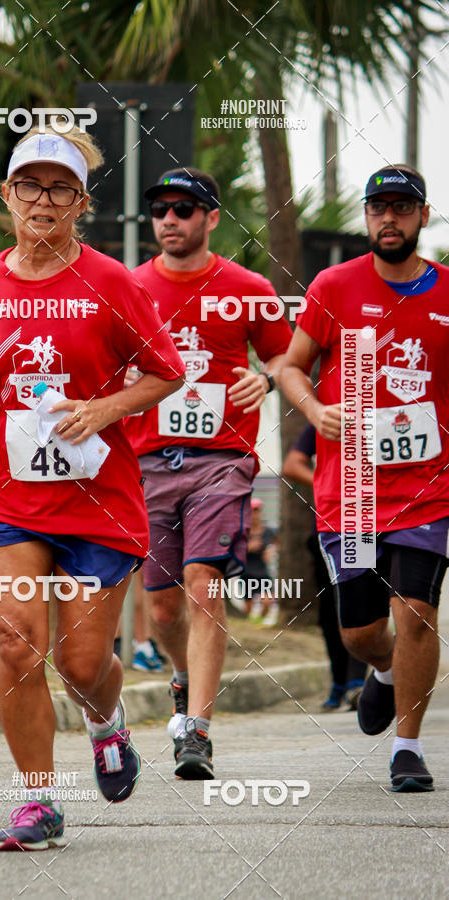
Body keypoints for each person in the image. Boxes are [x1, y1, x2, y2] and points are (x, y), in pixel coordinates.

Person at [0, 126, 185, 850]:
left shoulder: (113, 281)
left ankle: (105, 721)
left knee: (82, 663)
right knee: (12, 643)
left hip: (97, 500)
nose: (43, 199)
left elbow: (166, 370)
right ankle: (38, 800)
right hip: (7, 497)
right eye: (28, 185)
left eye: (59, 187)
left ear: (80, 202)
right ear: (6, 195)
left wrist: (102, 409)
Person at [281, 164, 449, 792]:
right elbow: (290, 367)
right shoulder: (333, 286)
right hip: (350, 493)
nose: (389, 219)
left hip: (427, 491)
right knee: (361, 633)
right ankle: (381, 674)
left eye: (403, 209)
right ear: (367, 216)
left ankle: (407, 747)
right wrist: (315, 408)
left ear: (422, 218)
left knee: (418, 615)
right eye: (379, 208)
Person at [126, 167, 292, 778]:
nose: (170, 219)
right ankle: (181, 677)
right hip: (146, 463)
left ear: (211, 218)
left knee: (205, 584)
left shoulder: (246, 286)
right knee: (164, 610)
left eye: (184, 209)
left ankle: (196, 732)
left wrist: (267, 376)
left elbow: (285, 353)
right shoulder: (130, 287)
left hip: (222, 461)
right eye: (160, 209)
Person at [282, 424, 366, 708]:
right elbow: (292, 465)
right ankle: (339, 683)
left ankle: (359, 683)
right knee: (329, 611)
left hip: (363, 525)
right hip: (327, 527)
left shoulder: (378, 417)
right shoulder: (325, 419)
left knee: (360, 601)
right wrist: (328, 485)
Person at [242, 498, 278, 623]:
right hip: (246, 572)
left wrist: (272, 551)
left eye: (256, 510)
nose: (254, 514)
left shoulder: (269, 531)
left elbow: (278, 544)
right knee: (248, 605)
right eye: (251, 510)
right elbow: (231, 550)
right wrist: (248, 548)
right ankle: (249, 623)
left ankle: (260, 621)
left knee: (268, 600)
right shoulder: (242, 531)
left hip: (263, 571)